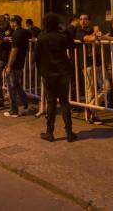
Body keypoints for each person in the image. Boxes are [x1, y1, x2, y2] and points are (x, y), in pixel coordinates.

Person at [35, 12, 76, 142]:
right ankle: (69, 132)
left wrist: (40, 71)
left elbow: (37, 56)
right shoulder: (62, 37)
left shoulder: (41, 37)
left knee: (51, 102)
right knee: (64, 102)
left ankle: (50, 132)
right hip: (63, 72)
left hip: (48, 73)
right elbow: (72, 45)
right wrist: (66, 31)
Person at [76, 13, 103, 124]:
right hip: (87, 64)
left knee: (106, 87)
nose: (83, 21)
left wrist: (96, 32)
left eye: (85, 19)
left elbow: (99, 37)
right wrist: (96, 32)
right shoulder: (79, 31)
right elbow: (90, 38)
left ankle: (90, 106)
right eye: (81, 19)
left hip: (98, 63)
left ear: (89, 21)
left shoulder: (93, 29)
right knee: (90, 90)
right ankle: (92, 116)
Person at [4, 15, 31, 117]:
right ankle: (25, 104)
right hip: (21, 62)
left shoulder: (16, 34)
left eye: (11, 22)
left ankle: (14, 110)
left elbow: (14, 50)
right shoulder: (24, 32)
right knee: (16, 85)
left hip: (15, 63)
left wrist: (9, 65)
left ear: (15, 23)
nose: (10, 24)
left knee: (11, 87)